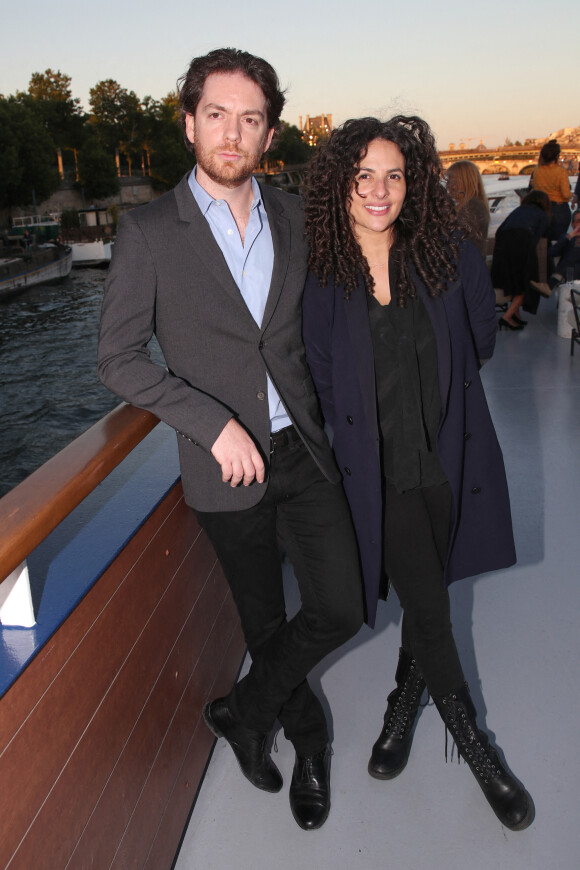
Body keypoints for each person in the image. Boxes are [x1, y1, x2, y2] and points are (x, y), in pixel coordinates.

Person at [97, 47, 364, 831]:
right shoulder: (147, 231)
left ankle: (244, 713)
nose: (232, 132)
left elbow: (329, 319)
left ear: (269, 134)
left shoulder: (293, 214)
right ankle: (308, 744)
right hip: (227, 472)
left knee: (341, 606)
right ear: (189, 124)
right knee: (265, 623)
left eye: (250, 119)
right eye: (216, 114)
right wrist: (212, 424)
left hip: (305, 452)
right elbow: (115, 357)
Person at [303, 116, 534, 831]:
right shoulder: (321, 279)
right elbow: (319, 381)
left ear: (415, 183)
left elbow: (483, 343)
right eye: (363, 175)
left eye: (395, 174)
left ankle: (405, 696)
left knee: (429, 589)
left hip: (447, 462)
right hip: (380, 479)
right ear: (341, 186)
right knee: (431, 605)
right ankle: (475, 743)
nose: (380, 190)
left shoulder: (449, 258)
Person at [491, 190, 551, 328]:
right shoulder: (542, 215)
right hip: (522, 241)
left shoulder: (519, 209)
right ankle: (506, 317)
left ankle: (515, 314)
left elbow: (501, 229)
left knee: (512, 280)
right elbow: (534, 239)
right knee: (527, 281)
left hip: (502, 241)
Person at [446, 160, 490, 258]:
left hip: (466, 267)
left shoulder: (472, 208)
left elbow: (456, 241)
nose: (447, 185)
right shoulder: (475, 205)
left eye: (451, 180)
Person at [531, 139, 571, 242]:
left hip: (543, 208)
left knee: (545, 242)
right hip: (559, 209)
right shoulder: (561, 171)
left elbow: (536, 190)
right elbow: (566, 194)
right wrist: (573, 196)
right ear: (557, 156)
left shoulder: (537, 171)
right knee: (558, 241)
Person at [548, 207, 580, 286]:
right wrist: (570, 236)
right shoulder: (566, 238)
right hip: (569, 277)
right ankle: (560, 278)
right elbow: (551, 252)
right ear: (573, 224)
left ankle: (556, 278)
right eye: (579, 221)